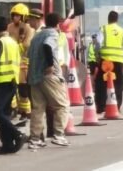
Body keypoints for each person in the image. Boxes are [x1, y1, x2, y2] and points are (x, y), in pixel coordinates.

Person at [27, 12, 70, 148]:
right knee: (62, 105)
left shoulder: (36, 36)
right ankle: (59, 135)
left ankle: (35, 139)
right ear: (57, 24)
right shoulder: (52, 34)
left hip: (34, 76)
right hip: (49, 76)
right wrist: (50, 65)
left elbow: (29, 54)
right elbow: (47, 46)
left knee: (38, 109)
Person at [0, 16, 26, 155]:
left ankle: (17, 134)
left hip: (2, 81)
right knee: (5, 114)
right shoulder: (13, 42)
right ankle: (7, 145)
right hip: (13, 81)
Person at [95, 11, 123, 113]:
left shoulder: (103, 29)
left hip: (106, 60)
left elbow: (98, 42)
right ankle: (117, 106)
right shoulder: (122, 31)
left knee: (101, 83)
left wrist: (98, 55)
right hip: (119, 61)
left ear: (108, 19)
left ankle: (101, 106)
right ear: (117, 19)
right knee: (118, 84)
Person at [8, 3, 35, 120]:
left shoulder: (29, 29)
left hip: (24, 64)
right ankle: (13, 109)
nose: (15, 18)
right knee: (11, 88)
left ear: (24, 16)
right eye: (14, 15)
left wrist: (13, 48)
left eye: (18, 16)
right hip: (11, 63)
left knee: (23, 90)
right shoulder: (9, 27)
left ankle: (26, 112)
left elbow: (27, 44)